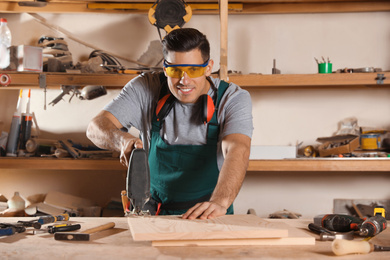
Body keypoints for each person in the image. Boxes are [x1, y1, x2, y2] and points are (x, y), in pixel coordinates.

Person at [87, 28, 253, 220]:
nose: (184, 80)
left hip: (208, 212)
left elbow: (237, 148)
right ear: (165, 68)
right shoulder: (145, 87)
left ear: (208, 68)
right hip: (153, 212)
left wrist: (220, 202)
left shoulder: (232, 98)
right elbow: (96, 127)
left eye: (193, 70)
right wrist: (121, 140)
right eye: (175, 70)